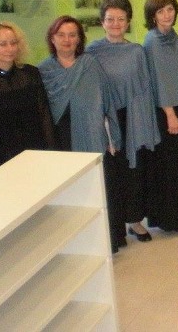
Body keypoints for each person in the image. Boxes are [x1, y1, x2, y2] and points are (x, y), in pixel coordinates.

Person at [39, 15, 125, 249]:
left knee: (98, 188)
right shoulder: (43, 71)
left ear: (79, 39)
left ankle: (107, 240)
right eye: (61, 35)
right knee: (70, 192)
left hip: (92, 136)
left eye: (72, 35)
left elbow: (107, 101)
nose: (67, 40)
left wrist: (112, 135)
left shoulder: (90, 64)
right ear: (52, 39)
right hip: (61, 137)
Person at [86, 0, 162, 243]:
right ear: (102, 22)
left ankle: (135, 221)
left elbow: (145, 88)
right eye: (110, 19)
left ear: (128, 22)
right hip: (106, 119)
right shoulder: (91, 53)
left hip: (132, 116)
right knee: (112, 172)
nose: (116, 24)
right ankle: (113, 225)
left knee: (133, 170)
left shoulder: (136, 51)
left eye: (121, 19)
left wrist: (146, 124)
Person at [0, 21, 56, 179]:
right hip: (0, 162)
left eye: (13, 43)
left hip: (35, 156)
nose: (10, 49)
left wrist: (52, 153)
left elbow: (45, 116)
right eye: (3, 44)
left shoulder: (31, 74)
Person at [142, 0, 178, 233]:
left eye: (170, 9)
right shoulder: (153, 41)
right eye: (161, 11)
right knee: (170, 167)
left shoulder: (172, 35)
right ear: (152, 16)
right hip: (167, 110)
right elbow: (159, 81)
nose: (166, 15)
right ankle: (172, 220)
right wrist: (171, 114)